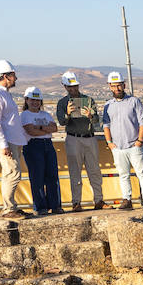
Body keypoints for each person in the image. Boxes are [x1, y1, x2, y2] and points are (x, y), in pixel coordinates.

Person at [0, 59, 29, 219]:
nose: (16, 78)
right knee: (12, 173)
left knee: (10, 173)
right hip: (6, 141)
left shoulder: (4, 94)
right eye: (13, 75)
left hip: (12, 140)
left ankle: (11, 206)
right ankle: (8, 209)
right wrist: (3, 144)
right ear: (6, 76)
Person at [101, 71, 143, 210]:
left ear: (124, 85)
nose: (117, 89)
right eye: (114, 86)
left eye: (119, 85)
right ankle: (127, 200)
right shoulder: (108, 105)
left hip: (134, 144)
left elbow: (142, 121)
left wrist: (140, 140)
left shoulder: (134, 101)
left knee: (141, 172)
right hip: (118, 147)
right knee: (123, 175)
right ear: (110, 87)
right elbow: (106, 124)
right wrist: (109, 143)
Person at [57, 70, 105, 211]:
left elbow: (96, 120)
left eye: (75, 86)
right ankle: (76, 202)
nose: (73, 89)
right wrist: (68, 114)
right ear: (65, 87)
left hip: (89, 137)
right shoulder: (62, 103)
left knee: (94, 170)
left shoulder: (89, 100)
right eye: (70, 87)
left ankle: (99, 200)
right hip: (73, 138)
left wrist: (91, 116)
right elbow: (62, 122)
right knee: (75, 172)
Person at [19, 86, 62, 215]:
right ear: (26, 100)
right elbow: (31, 131)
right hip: (33, 146)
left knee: (52, 176)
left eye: (37, 100)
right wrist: (45, 128)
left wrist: (40, 127)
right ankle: (40, 207)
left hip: (48, 145)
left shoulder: (46, 114)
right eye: (32, 100)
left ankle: (55, 206)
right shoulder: (25, 115)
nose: (35, 102)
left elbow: (54, 128)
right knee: (37, 177)